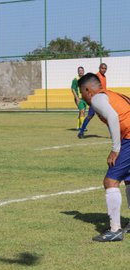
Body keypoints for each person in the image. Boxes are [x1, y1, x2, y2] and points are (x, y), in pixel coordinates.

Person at [78, 72, 130, 242]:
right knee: (128, 179)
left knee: (110, 181)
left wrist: (115, 149)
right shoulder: (113, 94)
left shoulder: (98, 99)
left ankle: (115, 230)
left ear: (87, 89)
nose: (82, 96)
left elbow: (114, 117)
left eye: (81, 93)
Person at [78, 63, 107, 139]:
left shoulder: (104, 77)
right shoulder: (96, 76)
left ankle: (113, 134)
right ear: (99, 68)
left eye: (105, 68)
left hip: (102, 98)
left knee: (107, 116)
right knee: (90, 115)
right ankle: (81, 132)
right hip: (95, 99)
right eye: (102, 68)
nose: (104, 70)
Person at [71, 66, 86, 131]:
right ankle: (83, 126)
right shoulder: (75, 79)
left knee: (81, 112)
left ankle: (78, 127)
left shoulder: (86, 79)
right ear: (78, 72)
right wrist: (77, 98)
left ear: (83, 71)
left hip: (85, 98)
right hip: (79, 98)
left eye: (82, 70)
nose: (81, 72)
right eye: (79, 71)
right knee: (82, 110)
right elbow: (73, 89)